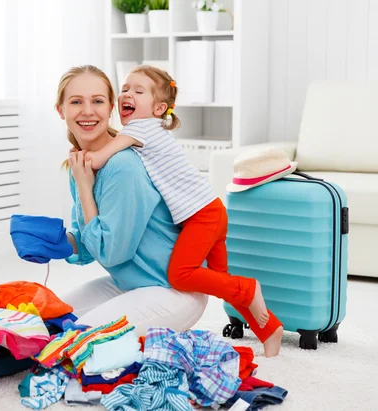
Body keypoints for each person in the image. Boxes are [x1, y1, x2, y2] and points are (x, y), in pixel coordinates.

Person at [80, 65, 283, 357]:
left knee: (181, 274)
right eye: (125, 88)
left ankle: (249, 289)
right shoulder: (154, 129)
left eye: (138, 91)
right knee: (220, 280)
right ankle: (269, 330)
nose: (127, 94)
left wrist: (81, 161)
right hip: (210, 211)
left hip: (203, 215)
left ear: (159, 107)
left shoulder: (139, 128)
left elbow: (99, 158)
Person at [54, 65, 208, 338]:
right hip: (129, 284)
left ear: (110, 108)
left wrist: (84, 187)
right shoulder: (79, 164)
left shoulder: (122, 165)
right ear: (61, 110)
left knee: (78, 341)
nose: (87, 111)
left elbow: (112, 253)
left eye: (97, 101)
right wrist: (54, 242)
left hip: (171, 291)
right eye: (76, 102)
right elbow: (89, 247)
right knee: (47, 322)